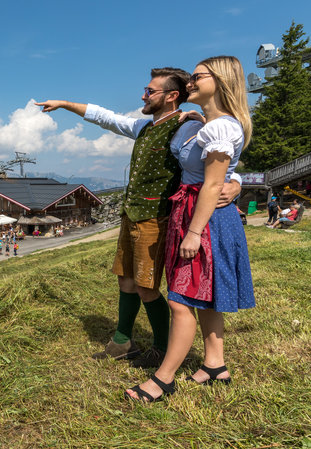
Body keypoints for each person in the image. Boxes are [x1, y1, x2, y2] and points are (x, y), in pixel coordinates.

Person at [36, 67, 242, 368]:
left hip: (157, 217)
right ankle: (123, 342)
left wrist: (236, 184)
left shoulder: (189, 126)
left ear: (172, 97)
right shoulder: (144, 126)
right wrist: (66, 104)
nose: (143, 95)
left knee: (147, 285)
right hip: (132, 213)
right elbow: (106, 117)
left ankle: (160, 347)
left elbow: (219, 162)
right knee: (126, 279)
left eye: (150, 91)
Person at [125, 56, 255, 402]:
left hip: (204, 218)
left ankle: (163, 380)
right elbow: (221, 175)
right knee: (204, 296)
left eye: (197, 77)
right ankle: (215, 364)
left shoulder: (219, 127)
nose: (190, 83)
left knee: (181, 300)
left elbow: (213, 185)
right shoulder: (208, 124)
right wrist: (236, 181)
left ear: (221, 80)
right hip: (196, 211)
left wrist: (195, 232)